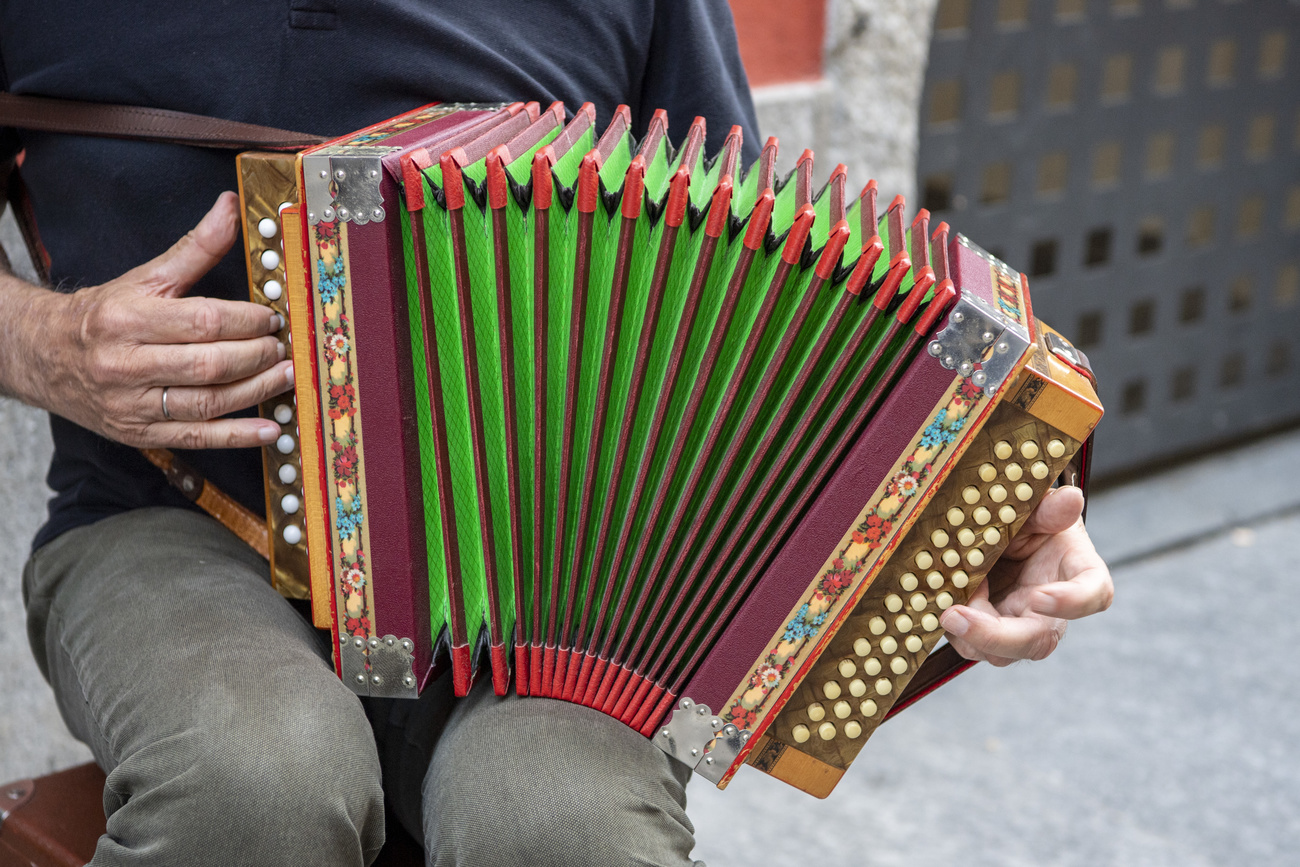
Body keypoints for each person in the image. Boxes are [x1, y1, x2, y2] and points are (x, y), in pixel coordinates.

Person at [0, 3, 1113, 865]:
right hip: (167, 523)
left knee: (561, 825)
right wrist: (46, 340)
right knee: (256, 779)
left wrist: (976, 528)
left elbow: (756, 309)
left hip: (559, 577)